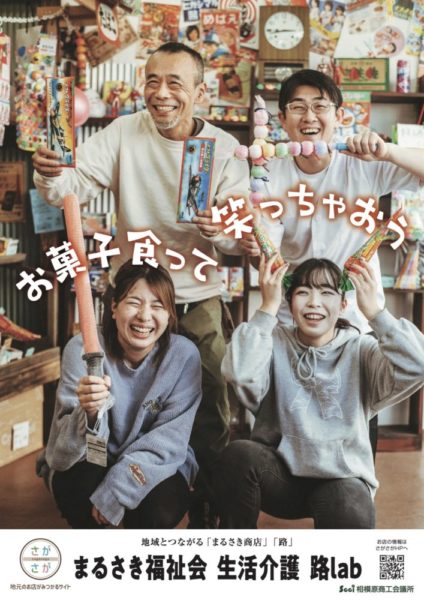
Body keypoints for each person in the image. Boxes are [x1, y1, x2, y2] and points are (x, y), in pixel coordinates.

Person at [33, 42, 249, 527]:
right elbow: (70, 187)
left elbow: (240, 239)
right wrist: (50, 174)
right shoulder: (124, 132)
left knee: (212, 401)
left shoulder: (223, 148)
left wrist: (222, 229)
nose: (161, 93)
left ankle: (206, 500)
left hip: (195, 294)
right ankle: (112, 477)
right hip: (134, 295)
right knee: (112, 395)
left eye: (175, 83)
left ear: (200, 92)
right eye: (153, 81)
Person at [214, 255, 424, 529]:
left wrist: (376, 313)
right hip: (279, 477)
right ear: (289, 302)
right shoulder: (273, 341)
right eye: (303, 292)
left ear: (344, 304)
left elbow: (418, 364)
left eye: (326, 293)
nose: (314, 302)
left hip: (341, 480)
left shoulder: (361, 349)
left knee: (350, 504)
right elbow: (238, 373)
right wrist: (267, 308)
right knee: (238, 455)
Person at [242, 69, 423, 334]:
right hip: (295, 318)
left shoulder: (363, 163)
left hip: (357, 316)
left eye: (320, 106)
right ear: (282, 119)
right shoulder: (268, 174)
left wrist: (388, 152)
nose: (309, 116)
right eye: (298, 107)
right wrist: (255, 250)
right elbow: (266, 256)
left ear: (338, 116)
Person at [37, 261, 202, 529]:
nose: (144, 316)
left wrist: (118, 489)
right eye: (134, 302)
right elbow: (63, 452)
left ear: (170, 314)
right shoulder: (82, 348)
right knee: (78, 492)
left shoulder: (183, 355)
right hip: (94, 454)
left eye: (157, 306)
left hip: (155, 460)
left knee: (158, 511)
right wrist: (90, 414)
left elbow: (169, 441)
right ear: (113, 307)